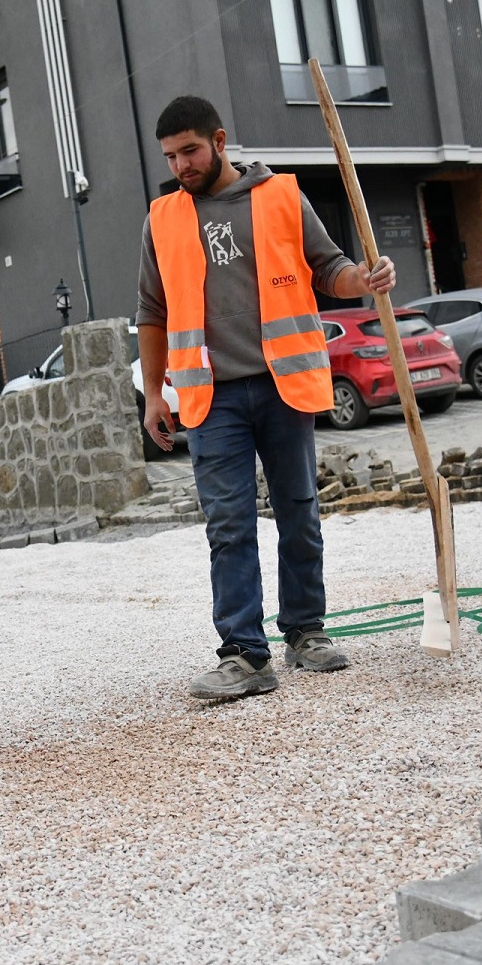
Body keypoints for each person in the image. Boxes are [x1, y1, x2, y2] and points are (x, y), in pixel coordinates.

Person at [135, 95, 395, 701]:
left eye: (190, 151)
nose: (181, 165)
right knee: (228, 524)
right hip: (211, 398)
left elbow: (329, 269)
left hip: (284, 385)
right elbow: (152, 311)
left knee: (298, 511)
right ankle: (246, 655)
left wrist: (365, 278)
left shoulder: (280, 197)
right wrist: (154, 394)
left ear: (220, 141)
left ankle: (306, 631)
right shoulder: (162, 219)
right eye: (171, 156)